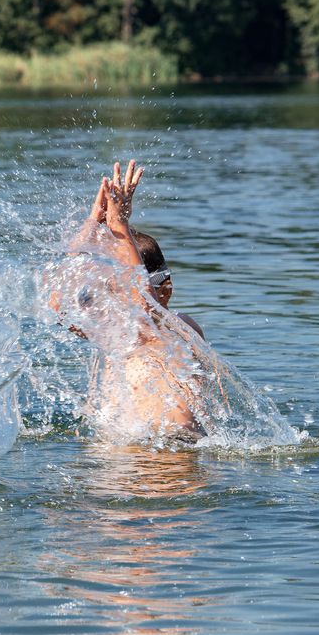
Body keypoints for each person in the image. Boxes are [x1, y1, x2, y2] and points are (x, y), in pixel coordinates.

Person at [62, 160, 205, 440]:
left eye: (125, 291)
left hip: (172, 462)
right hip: (120, 465)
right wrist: (92, 224)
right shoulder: (112, 335)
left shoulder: (179, 329)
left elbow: (145, 314)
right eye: (110, 291)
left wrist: (119, 226)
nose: (115, 303)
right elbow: (62, 302)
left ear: (165, 291)